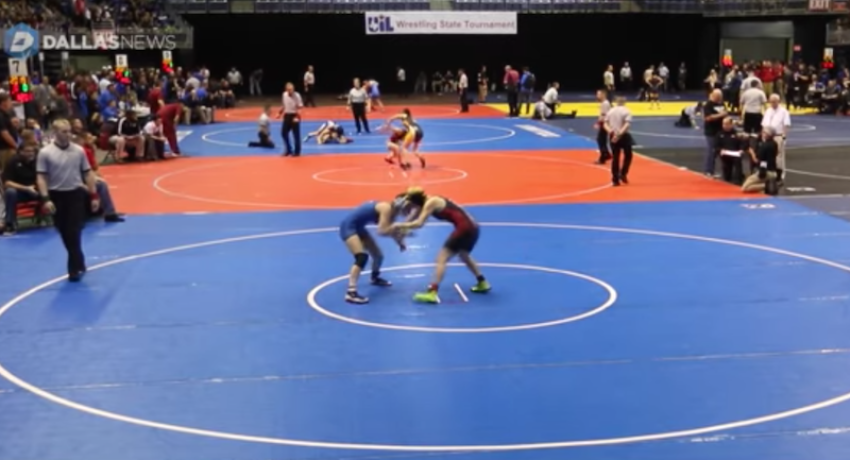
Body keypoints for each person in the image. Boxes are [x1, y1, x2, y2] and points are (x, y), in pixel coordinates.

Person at [392, 187, 490, 304]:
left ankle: (432, 293)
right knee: (464, 255)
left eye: (410, 204)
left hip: (464, 228)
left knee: (441, 258)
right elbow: (411, 218)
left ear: (415, 201)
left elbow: (419, 223)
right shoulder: (426, 201)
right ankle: (482, 282)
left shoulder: (431, 202)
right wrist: (400, 231)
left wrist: (400, 227)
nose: (409, 208)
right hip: (473, 227)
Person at [36, 119, 100, 281]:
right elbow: (41, 177)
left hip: (75, 194)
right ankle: (79, 258)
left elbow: (87, 173)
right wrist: (45, 198)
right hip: (57, 195)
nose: (68, 134)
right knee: (63, 231)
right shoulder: (45, 152)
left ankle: (73, 268)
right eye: (64, 131)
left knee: (74, 230)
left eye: (69, 131)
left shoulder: (78, 150)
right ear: (55, 133)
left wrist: (93, 195)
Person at [339, 198, 408, 304]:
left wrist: (400, 242)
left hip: (359, 227)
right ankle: (351, 292)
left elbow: (390, 228)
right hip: (348, 227)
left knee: (378, 255)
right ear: (398, 209)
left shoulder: (390, 211)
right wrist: (400, 231)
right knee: (361, 257)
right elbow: (381, 231)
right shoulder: (386, 208)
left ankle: (374, 278)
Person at [742, 127, 780, 194]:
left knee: (745, 188)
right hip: (773, 171)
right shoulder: (774, 144)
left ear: (767, 134)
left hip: (765, 172)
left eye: (763, 132)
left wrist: (751, 152)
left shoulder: (764, 146)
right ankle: (765, 186)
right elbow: (775, 154)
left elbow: (760, 160)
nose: (762, 134)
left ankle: (768, 185)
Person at [278, 82, 303, 156]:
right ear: (286, 89)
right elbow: (283, 105)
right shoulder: (284, 95)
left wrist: (297, 117)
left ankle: (297, 152)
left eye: (291, 89)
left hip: (294, 115)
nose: (290, 91)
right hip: (287, 115)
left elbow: (300, 107)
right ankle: (288, 149)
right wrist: (279, 113)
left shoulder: (297, 95)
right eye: (289, 90)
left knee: (296, 135)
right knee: (283, 133)